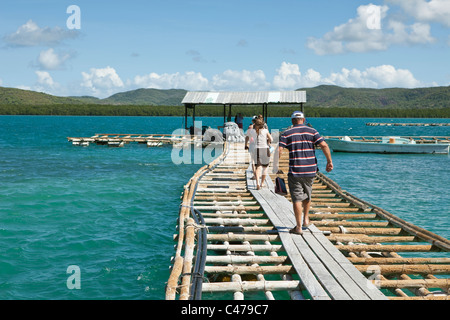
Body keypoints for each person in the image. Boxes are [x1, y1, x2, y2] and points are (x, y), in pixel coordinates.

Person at [278, 111, 333, 235]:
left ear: (292, 121)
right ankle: (306, 219)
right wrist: (329, 161)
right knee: (307, 194)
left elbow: (280, 149)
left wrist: (276, 165)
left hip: (295, 170)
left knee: (297, 197)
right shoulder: (312, 131)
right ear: (303, 119)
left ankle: (298, 227)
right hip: (310, 169)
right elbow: (324, 145)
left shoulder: (286, 133)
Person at [246, 118, 272, 190]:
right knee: (265, 168)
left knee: (258, 167)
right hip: (265, 149)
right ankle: (262, 183)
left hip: (256, 149)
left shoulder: (253, 131)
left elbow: (248, 137)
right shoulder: (265, 131)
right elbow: (271, 139)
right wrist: (268, 142)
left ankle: (257, 183)